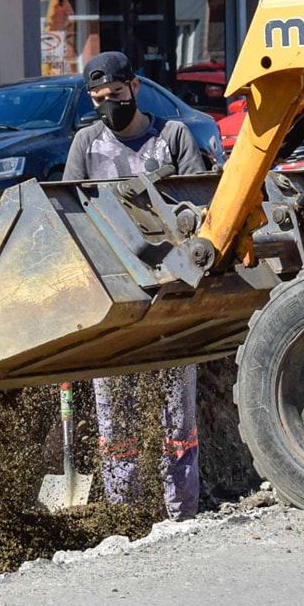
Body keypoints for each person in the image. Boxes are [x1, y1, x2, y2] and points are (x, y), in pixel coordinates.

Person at [62, 51, 208, 520]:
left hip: (173, 293)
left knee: (176, 413)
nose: (110, 105)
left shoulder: (172, 138)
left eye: (118, 95)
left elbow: (201, 207)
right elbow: (69, 214)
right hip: (115, 298)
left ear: (135, 88)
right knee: (115, 412)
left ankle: (180, 512)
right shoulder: (86, 144)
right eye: (100, 99)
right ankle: (126, 512)